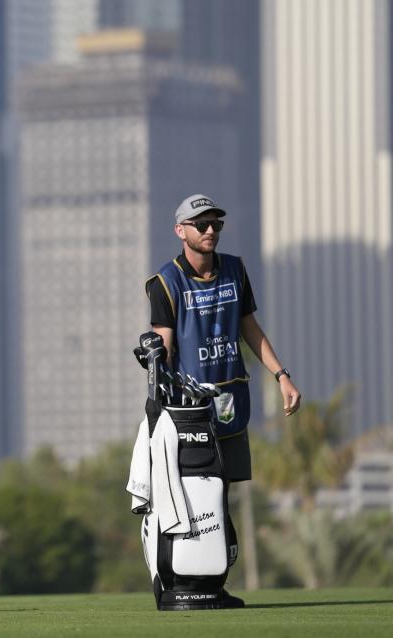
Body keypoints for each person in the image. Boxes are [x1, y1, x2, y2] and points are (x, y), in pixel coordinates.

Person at [145, 193, 301, 607]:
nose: (210, 230)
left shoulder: (234, 269)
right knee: (187, 488)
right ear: (181, 231)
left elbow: (250, 328)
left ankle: (212, 580)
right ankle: (177, 577)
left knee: (221, 489)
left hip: (230, 398)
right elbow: (163, 343)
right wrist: (156, 379)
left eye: (216, 223)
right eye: (201, 224)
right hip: (188, 408)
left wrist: (281, 375)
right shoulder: (165, 281)